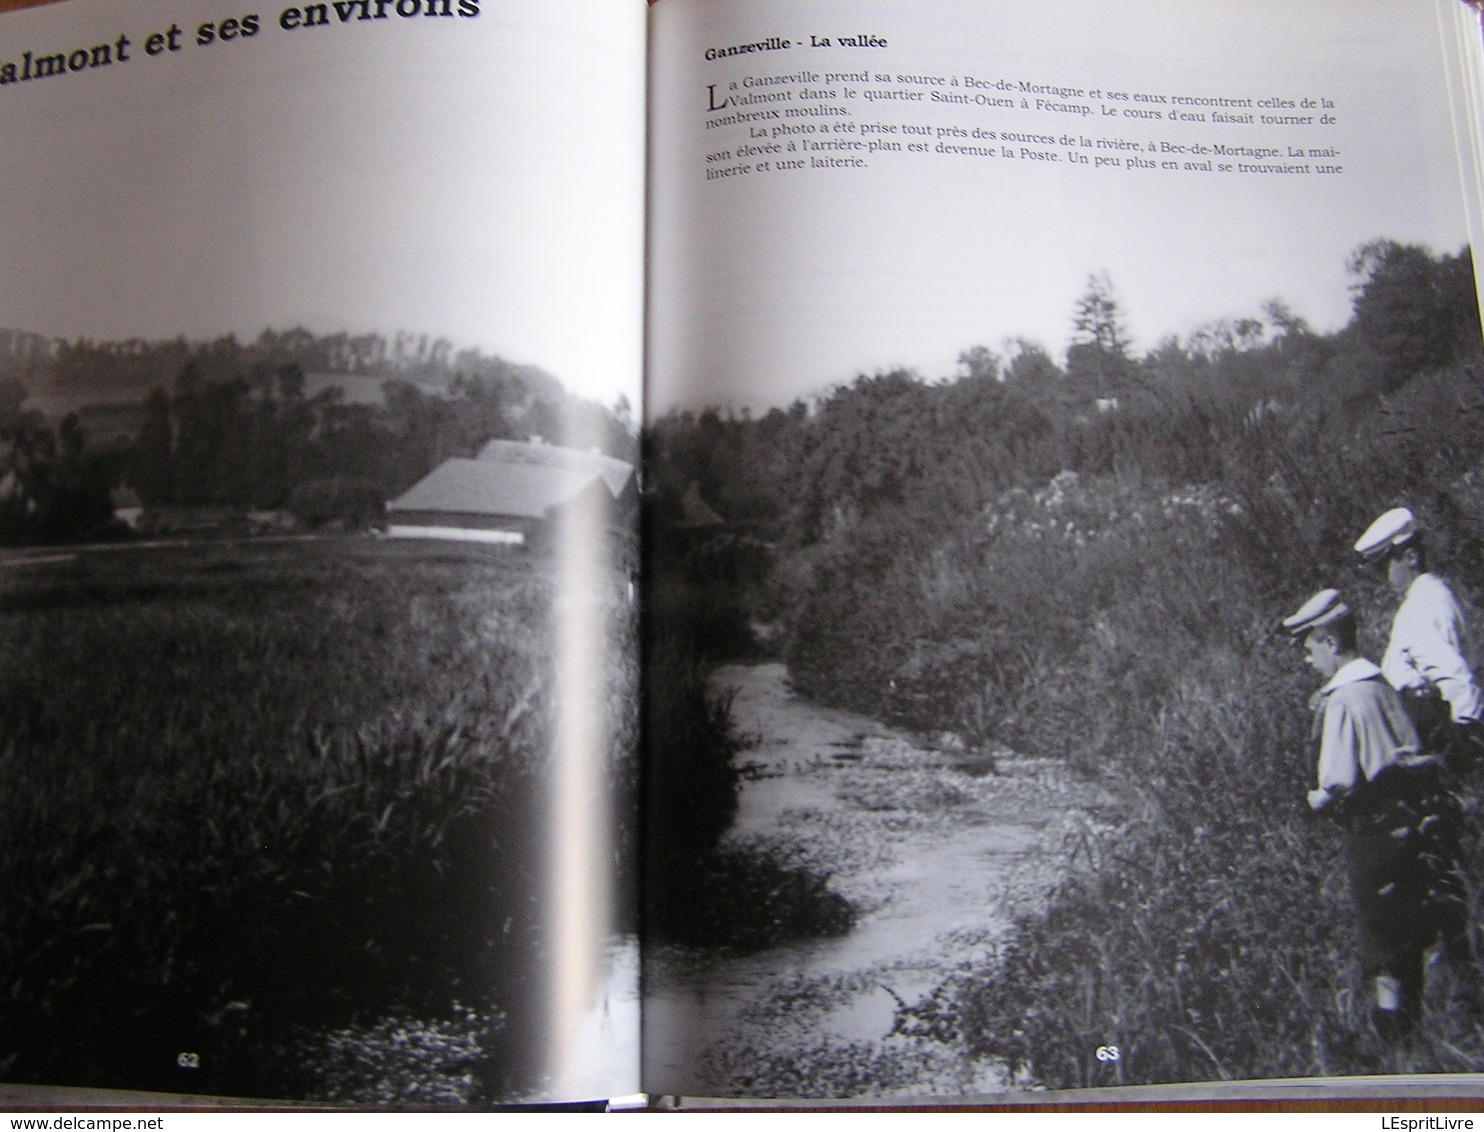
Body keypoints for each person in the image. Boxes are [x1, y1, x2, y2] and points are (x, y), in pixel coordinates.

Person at [1283, 587, 1465, 1037]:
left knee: (1381, 946)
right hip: (1413, 822)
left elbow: (1339, 779)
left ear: (1329, 643)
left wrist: (1315, 801)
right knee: (1410, 937)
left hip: (1372, 834)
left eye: (1310, 648)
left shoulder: (1344, 699)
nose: (1309, 660)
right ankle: (1422, 1028)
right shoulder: (1381, 685)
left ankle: (1395, 1043)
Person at [1354, 506, 1483, 760]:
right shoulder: (1438, 593)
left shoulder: (1419, 608)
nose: (1384, 577)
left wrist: (1465, 745)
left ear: (1410, 557)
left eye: (1385, 566)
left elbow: (1456, 677)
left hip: (1444, 733)